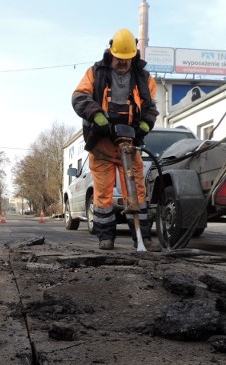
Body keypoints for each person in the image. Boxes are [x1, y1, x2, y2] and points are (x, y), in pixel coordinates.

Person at [72, 28, 161, 251]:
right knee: (102, 194)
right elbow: (79, 97)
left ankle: (142, 238)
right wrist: (96, 114)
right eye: (118, 59)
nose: (122, 64)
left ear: (134, 55)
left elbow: (151, 108)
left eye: (126, 59)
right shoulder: (96, 72)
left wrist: (145, 124)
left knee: (138, 193)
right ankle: (106, 237)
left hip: (129, 145)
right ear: (111, 53)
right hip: (102, 144)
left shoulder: (144, 78)